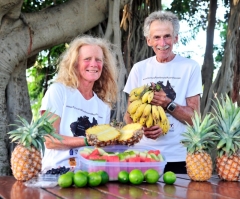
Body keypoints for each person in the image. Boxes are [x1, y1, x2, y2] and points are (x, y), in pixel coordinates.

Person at [123, 11, 202, 174]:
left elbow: (195, 118)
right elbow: (128, 115)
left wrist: (167, 103)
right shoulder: (139, 68)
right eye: (157, 37)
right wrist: (141, 129)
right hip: (142, 154)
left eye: (167, 36)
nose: (162, 43)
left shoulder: (190, 67)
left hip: (178, 157)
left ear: (176, 38)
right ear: (148, 40)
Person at [40, 35, 118, 171]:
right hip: (56, 176)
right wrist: (87, 141)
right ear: (75, 63)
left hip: (90, 177)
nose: (93, 64)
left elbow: (99, 149)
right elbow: (49, 139)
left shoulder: (103, 107)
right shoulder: (58, 91)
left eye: (98, 60)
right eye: (87, 59)